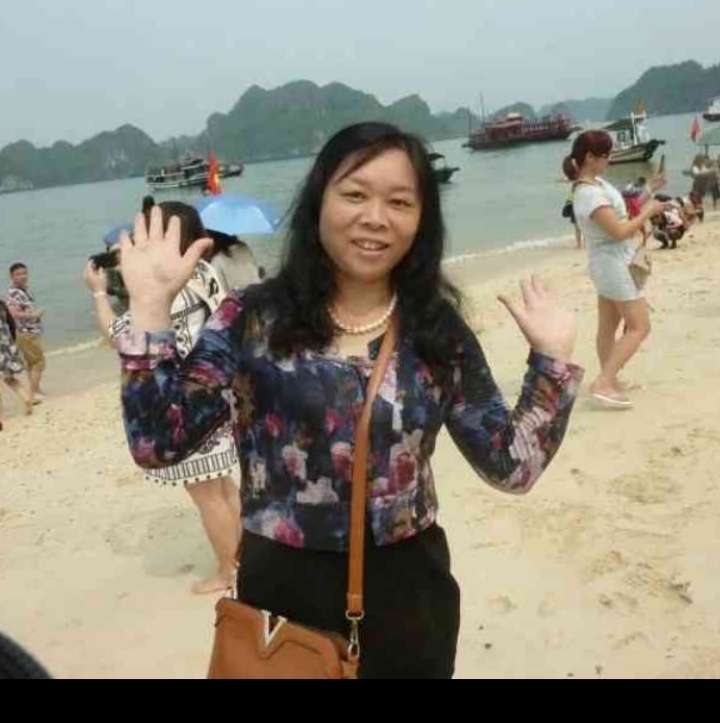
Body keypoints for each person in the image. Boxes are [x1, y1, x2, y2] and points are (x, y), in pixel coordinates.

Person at [114, 122, 583, 679]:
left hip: (409, 598)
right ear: (319, 201)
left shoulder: (437, 331)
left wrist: (552, 363)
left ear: (422, 220)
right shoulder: (252, 318)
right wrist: (149, 309)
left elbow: (511, 466)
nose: (375, 218)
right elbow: (158, 443)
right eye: (355, 194)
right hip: (280, 597)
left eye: (400, 202)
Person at [84, 200, 260, 595]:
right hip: (216, 394)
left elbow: (125, 342)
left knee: (208, 497)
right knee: (223, 489)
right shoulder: (205, 272)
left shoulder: (169, 289)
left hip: (182, 404)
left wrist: (99, 295)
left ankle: (229, 572)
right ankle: (244, 560)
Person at [563, 130, 666, 409]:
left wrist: (648, 191)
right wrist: (648, 212)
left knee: (608, 326)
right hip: (612, 264)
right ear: (590, 157)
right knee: (640, 326)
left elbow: (622, 212)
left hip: (608, 263)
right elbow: (620, 231)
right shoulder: (588, 194)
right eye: (606, 155)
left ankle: (610, 379)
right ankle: (605, 382)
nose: (609, 160)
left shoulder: (594, 185)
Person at [6, 263, 45, 404]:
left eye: (24, 273)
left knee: (32, 362)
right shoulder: (15, 293)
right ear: (11, 277)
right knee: (38, 362)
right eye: (18, 274)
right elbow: (13, 313)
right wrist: (34, 315)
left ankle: (36, 389)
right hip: (26, 332)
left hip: (28, 331)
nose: (23, 276)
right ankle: (33, 392)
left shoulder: (22, 290)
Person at [0, 299, 33, 430]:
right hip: (8, 346)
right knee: (9, 379)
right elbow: (11, 325)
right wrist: (12, 342)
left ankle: (0, 417)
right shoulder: (2, 305)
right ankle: (26, 398)